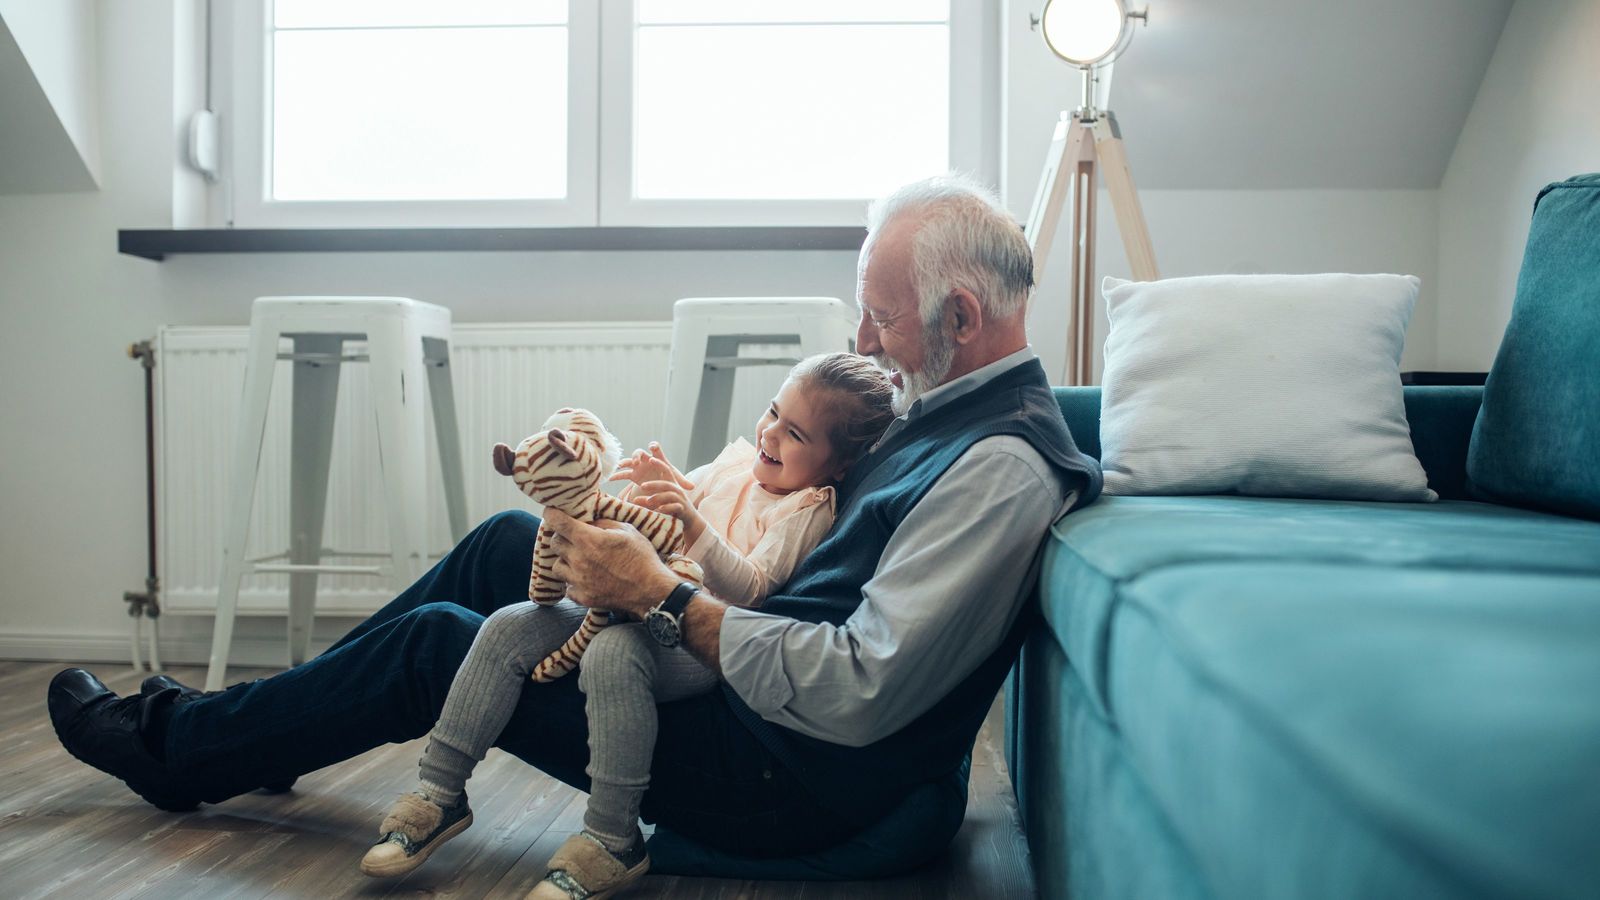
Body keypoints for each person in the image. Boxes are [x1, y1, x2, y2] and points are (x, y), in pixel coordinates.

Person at [47, 173, 1102, 898]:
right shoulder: (948, 409)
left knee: (448, 642)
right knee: (510, 542)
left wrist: (666, 597)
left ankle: (178, 752)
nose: (860, 341)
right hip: (753, 697)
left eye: (876, 319)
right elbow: (802, 559)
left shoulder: (998, 469)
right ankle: (257, 729)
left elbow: (858, 687)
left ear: (960, 318)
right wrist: (667, 539)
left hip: (789, 775)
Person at [358, 352, 897, 888]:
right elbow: (684, 499)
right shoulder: (739, 463)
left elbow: (753, 588)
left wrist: (690, 524)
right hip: (628, 598)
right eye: (773, 412)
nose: (771, 434)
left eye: (795, 434)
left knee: (611, 654)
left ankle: (612, 838)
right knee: (507, 625)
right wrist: (666, 484)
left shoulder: (808, 507)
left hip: (694, 639)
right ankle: (438, 793)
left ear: (839, 464)